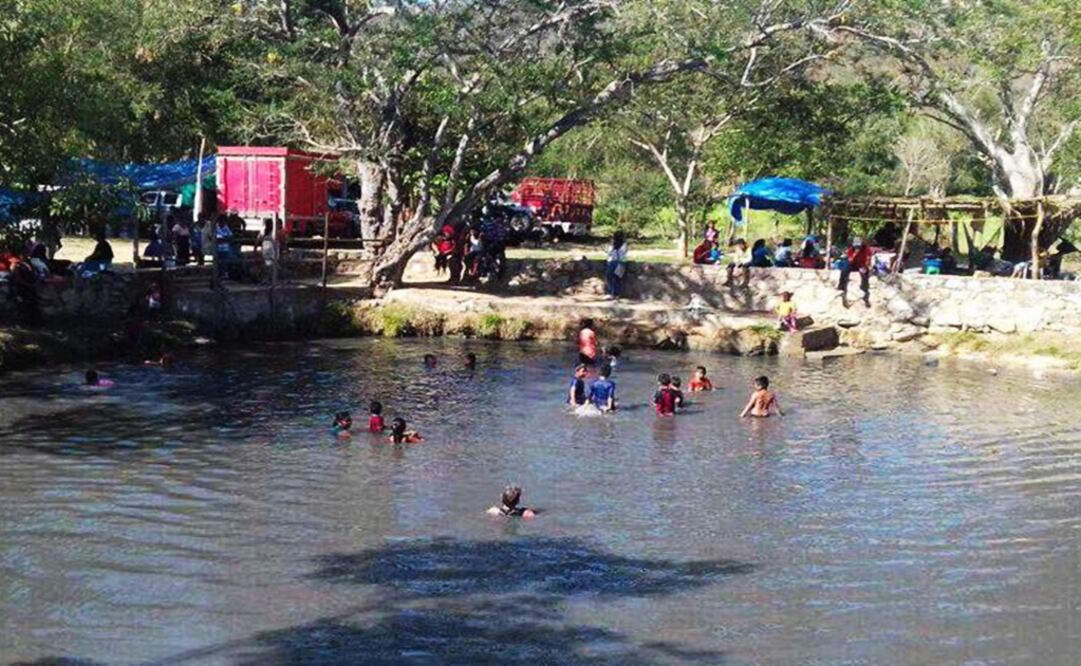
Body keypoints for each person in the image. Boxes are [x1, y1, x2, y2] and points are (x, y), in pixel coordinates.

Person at [838, 237, 871, 303]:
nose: (857, 248)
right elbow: (850, 260)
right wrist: (854, 254)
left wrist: (865, 266)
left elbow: (868, 259)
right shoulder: (851, 249)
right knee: (844, 269)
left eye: (858, 246)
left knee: (865, 272)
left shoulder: (866, 249)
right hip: (853, 264)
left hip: (861, 264)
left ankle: (864, 286)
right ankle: (841, 285)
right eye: (856, 246)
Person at [605, 231, 629, 299]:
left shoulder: (624, 244)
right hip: (612, 261)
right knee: (609, 277)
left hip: (620, 262)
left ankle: (616, 293)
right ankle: (611, 293)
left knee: (617, 278)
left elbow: (622, 253)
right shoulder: (612, 244)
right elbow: (609, 253)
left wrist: (615, 249)